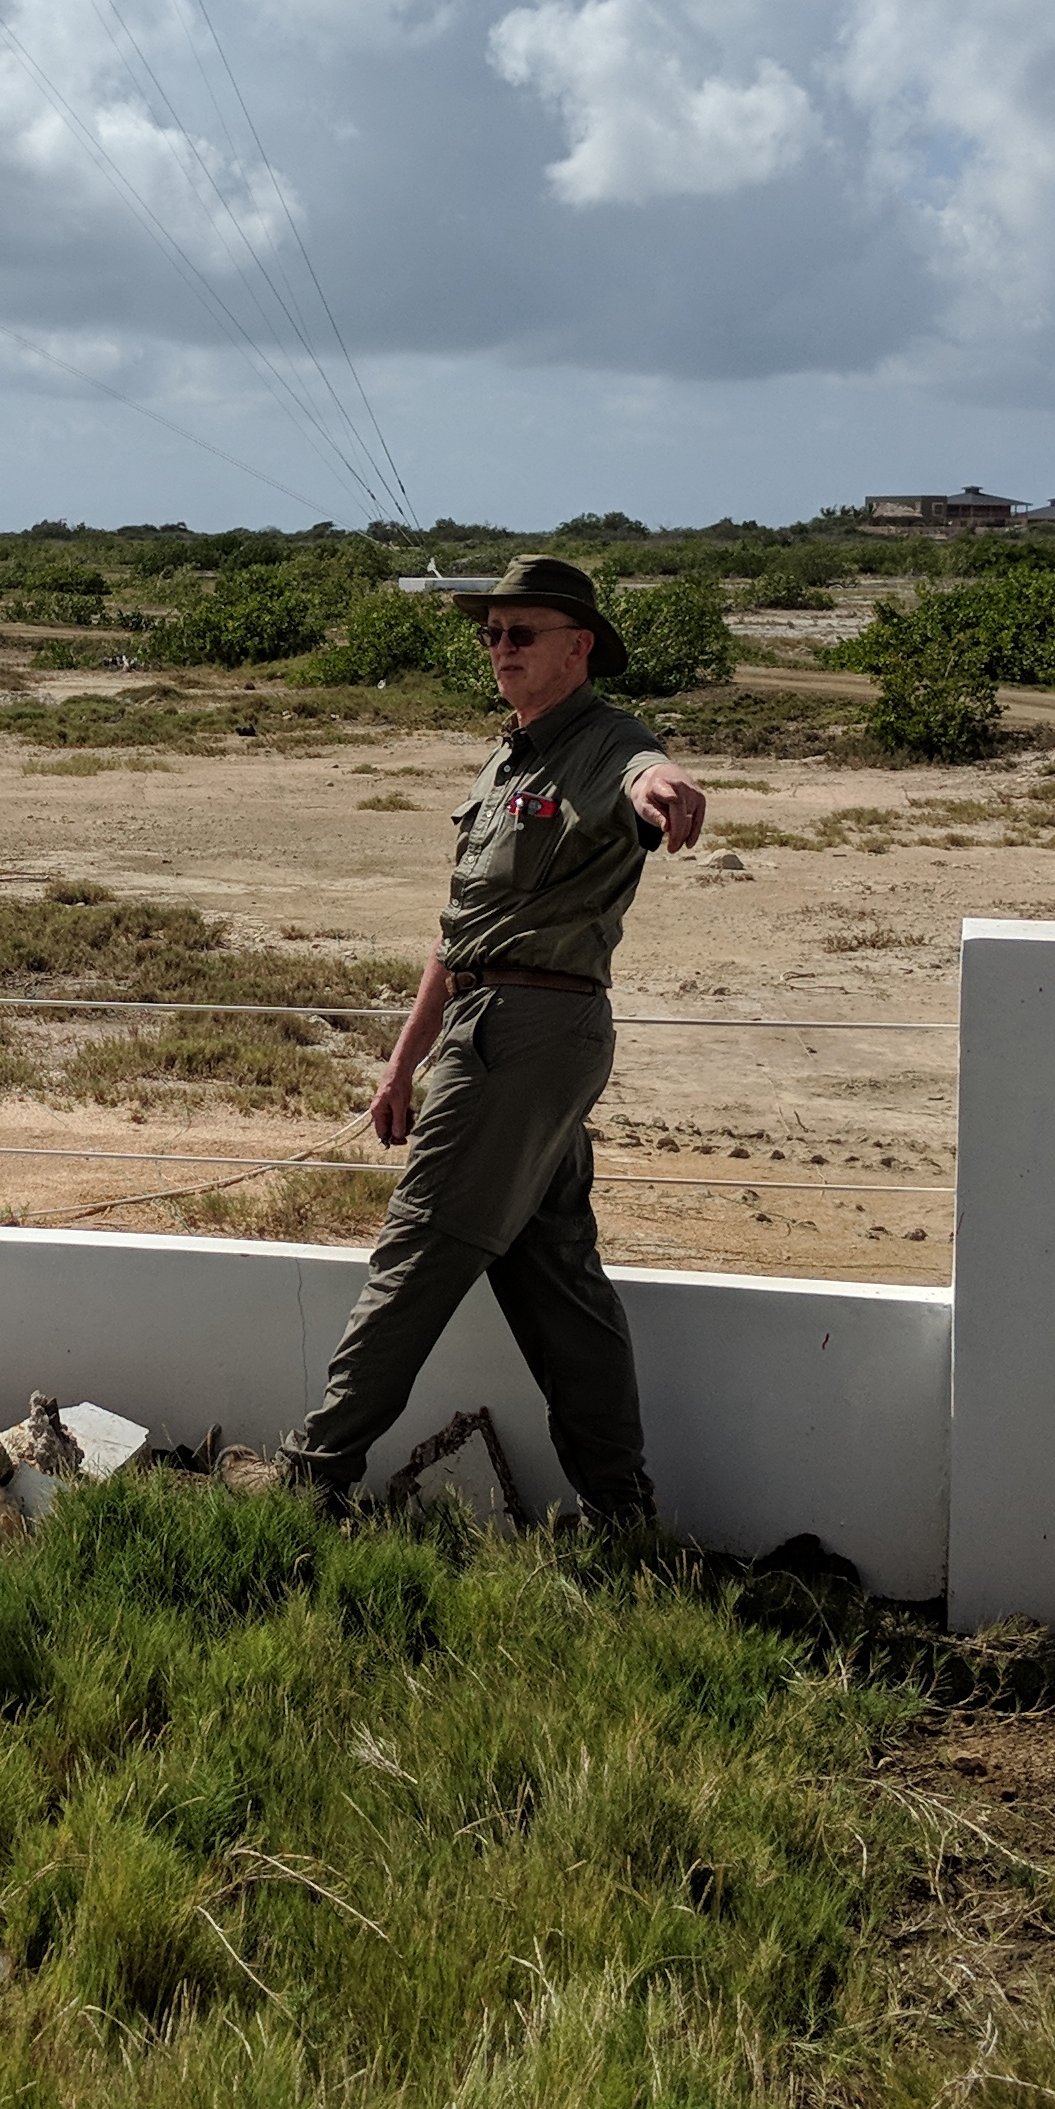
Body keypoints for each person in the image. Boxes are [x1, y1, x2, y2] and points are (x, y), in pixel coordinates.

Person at [281, 556, 706, 1525]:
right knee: (551, 1272)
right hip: (493, 1027)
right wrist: (404, 1062)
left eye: (521, 633)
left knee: (420, 1246)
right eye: (491, 634)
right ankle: (622, 1511)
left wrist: (668, 788)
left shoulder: (607, 744)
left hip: (531, 1030)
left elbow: (647, 775)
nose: (500, 649)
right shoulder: (507, 759)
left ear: (578, 646)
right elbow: (458, 930)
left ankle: (311, 1481)